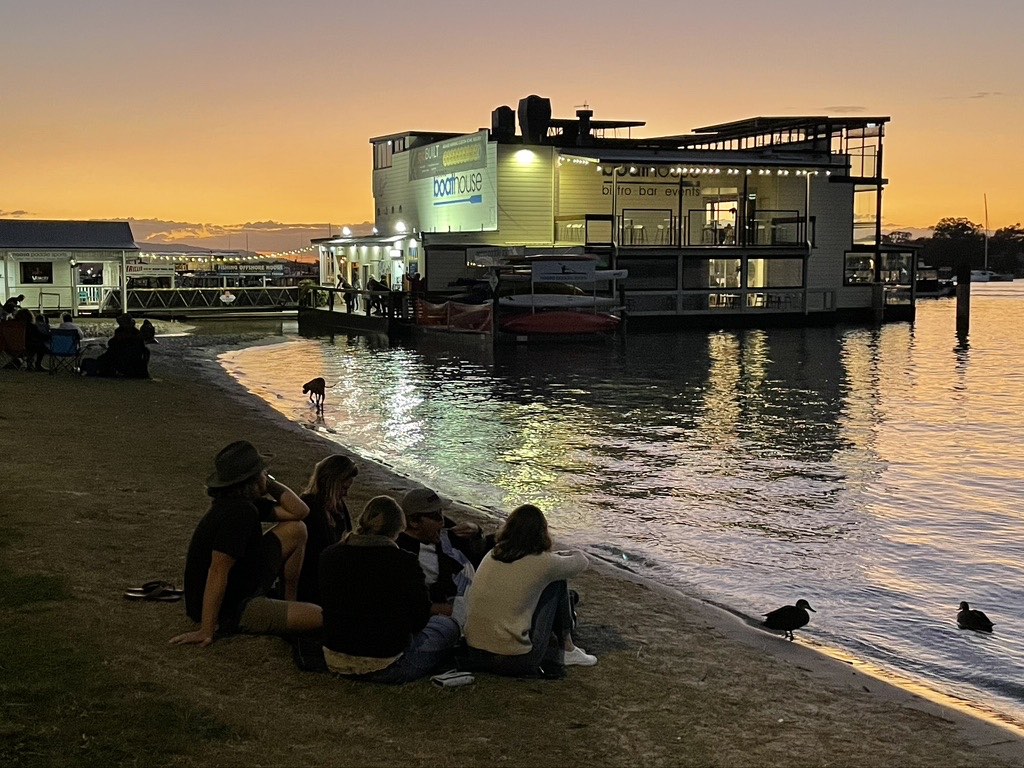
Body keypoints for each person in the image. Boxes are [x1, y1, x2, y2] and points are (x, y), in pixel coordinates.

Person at [170, 440, 322, 647]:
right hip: (234, 606)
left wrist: (268, 482)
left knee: (297, 529)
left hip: (245, 579)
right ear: (251, 479)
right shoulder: (239, 514)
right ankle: (280, 612)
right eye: (263, 472)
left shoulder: (244, 503)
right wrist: (206, 629)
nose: (267, 474)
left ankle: (289, 599)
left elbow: (300, 512)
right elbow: (218, 571)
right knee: (321, 616)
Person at [319, 495, 460, 683]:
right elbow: (420, 618)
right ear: (398, 530)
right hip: (387, 664)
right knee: (449, 627)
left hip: (334, 657)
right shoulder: (405, 562)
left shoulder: (330, 555)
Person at [463, 504, 596, 678]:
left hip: (474, 651)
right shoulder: (544, 562)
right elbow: (582, 562)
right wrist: (569, 551)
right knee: (557, 582)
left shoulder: (493, 553)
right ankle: (567, 647)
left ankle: (563, 646)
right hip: (515, 661)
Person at [397, 488, 492, 623]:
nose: (442, 521)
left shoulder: (441, 531)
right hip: (457, 607)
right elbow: (412, 604)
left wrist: (477, 532)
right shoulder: (404, 554)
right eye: (436, 516)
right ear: (414, 521)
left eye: (441, 513)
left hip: (477, 581)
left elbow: (479, 550)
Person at [296, 454, 359, 604]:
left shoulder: (338, 507)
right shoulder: (308, 506)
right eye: (343, 488)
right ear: (332, 483)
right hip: (312, 578)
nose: (346, 493)